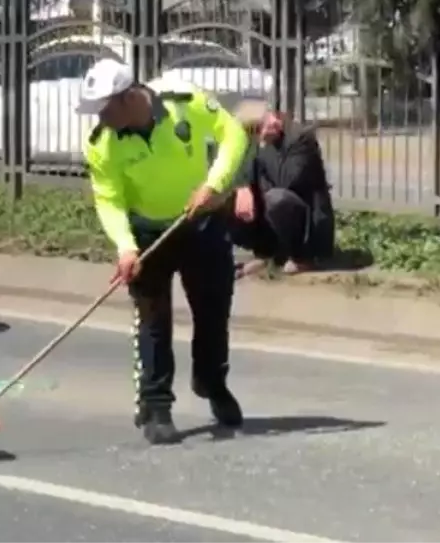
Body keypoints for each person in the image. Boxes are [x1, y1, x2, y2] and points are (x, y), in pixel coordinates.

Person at [80, 59, 252, 445]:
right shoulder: (102, 144)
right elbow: (109, 200)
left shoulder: (184, 102)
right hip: (146, 231)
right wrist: (125, 248)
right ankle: (155, 405)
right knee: (152, 318)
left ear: (128, 98)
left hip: (200, 221)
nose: (101, 118)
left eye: (106, 109)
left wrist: (215, 184)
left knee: (213, 310)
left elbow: (233, 134)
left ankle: (211, 382)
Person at [230, 100, 335, 276]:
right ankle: (267, 253)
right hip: (272, 216)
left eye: (266, 120)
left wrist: (260, 147)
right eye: (257, 128)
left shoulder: (300, 137)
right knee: (228, 200)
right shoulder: (256, 143)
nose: (268, 126)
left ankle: (303, 258)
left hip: (307, 222)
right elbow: (235, 169)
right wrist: (243, 187)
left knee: (276, 199)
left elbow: (286, 180)